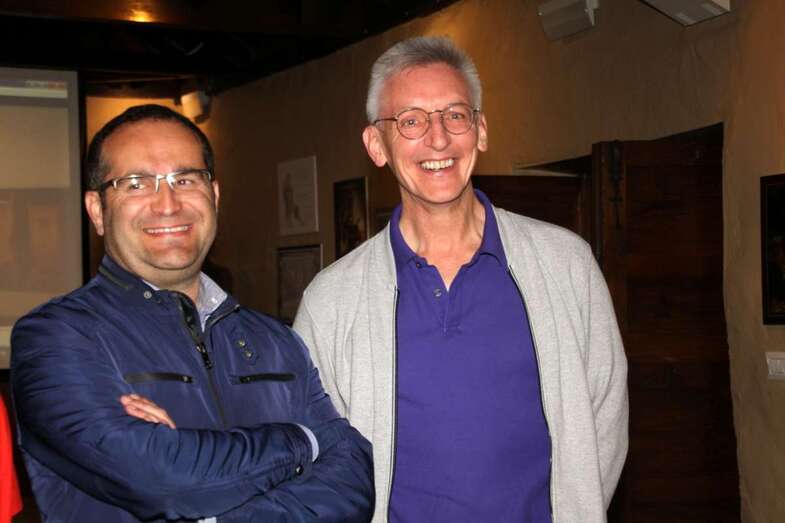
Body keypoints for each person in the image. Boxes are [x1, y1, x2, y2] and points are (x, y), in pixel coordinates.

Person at [293, 36, 628, 522]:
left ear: (480, 130)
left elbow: (606, 420)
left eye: (455, 115)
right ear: (376, 145)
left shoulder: (566, 265)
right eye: (411, 121)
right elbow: (315, 455)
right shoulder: (331, 300)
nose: (438, 139)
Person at [11, 104, 373, 522]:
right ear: (97, 210)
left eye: (185, 179)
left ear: (214, 195)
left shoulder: (275, 340)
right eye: (136, 184)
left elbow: (353, 481)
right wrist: (302, 441)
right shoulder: (56, 338)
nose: (167, 204)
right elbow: (161, 480)